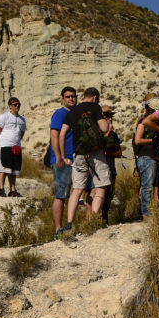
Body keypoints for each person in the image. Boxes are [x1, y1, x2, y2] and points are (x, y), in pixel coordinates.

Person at [58, 87, 111, 229]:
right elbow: (104, 128)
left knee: (77, 189)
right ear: (94, 97)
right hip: (95, 153)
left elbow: (62, 134)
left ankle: (69, 223)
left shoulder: (73, 111)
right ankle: (93, 221)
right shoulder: (95, 107)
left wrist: (63, 156)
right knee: (101, 186)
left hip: (78, 154)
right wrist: (107, 123)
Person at [85, 106, 122, 223]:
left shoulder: (114, 135)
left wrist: (106, 151)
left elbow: (119, 153)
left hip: (110, 169)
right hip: (95, 169)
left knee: (108, 197)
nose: (110, 119)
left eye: (111, 116)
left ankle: (104, 221)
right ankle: (90, 221)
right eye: (107, 116)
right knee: (93, 194)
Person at [49, 86, 77, 239]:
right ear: (62, 98)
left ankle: (70, 225)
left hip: (75, 159)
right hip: (63, 159)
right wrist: (58, 157)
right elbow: (54, 136)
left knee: (75, 194)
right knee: (61, 194)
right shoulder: (59, 114)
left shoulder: (76, 114)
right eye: (68, 96)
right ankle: (58, 229)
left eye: (73, 96)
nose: (71, 99)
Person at [133, 93, 159, 216]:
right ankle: (146, 212)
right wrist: (153, 141)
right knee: (148, 185)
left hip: (158, 156)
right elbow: (137, 140)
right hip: (147, 156)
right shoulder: (143, 121)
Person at [0, 97, 26, 197]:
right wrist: (1, 142)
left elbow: (22, 133)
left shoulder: (22, 120)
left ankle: (12, 190)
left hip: (16, 147)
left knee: (14, 169)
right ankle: (1, 189)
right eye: (15, 104)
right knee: (3, 168)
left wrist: (16, 142)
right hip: (4, 146)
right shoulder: (4, 117)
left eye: (18, 104)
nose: (17, 106)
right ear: (10, 106)